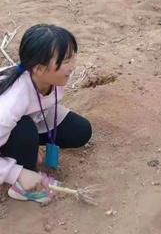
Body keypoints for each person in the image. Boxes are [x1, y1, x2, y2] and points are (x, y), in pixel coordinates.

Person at [0, 24, 92, 204]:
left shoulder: (51, 80)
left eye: (72, 57)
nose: (72, 67)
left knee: (80, 131)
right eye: (66, 61)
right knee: (24, 129)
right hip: (10, 127)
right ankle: (22, 187)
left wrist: (34, 148)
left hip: (26, 121)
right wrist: (16, 172)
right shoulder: (10, 105)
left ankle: (26, 147)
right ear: (40, 69)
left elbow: (43, 106)